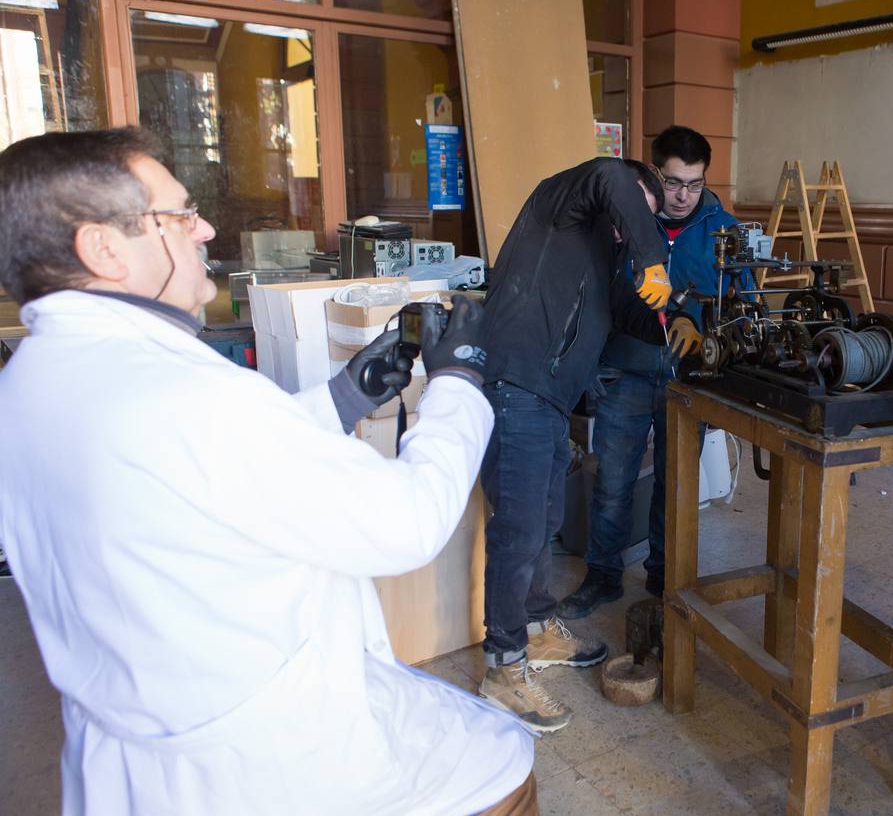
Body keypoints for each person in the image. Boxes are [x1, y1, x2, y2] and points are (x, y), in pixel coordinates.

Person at [0, 129, 537, 815]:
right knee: (505, 759)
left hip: (134, 759)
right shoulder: (185, 397)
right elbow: (408, 523)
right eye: (179, 215)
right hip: (275, 763)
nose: (206, 228)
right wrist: (460, 382)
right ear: (103, 249)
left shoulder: (32, 385)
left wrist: (346, 397)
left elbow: (207, 474)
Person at [476, 156, 671, 732]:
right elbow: (613, 180)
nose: (628, 223)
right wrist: (652, 255)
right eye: (639, 207)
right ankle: (502, 669)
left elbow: (629, 313)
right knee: (519, 530)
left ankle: (536, 631)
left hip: (549, 399)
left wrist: (679, 314)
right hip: (518, 385)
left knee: (544, 520)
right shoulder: (560, 204)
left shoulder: (601, 253)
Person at [558, 125, 751, 618]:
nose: (683, 196)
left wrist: (714, 348)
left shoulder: (723, 230)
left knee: (676, 485)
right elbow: (593, 294)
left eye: (695, 184)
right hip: (625, 371)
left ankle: (666, 579)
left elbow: (743, 307)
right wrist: (592, 363)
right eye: (672, 183)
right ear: (653, 171)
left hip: (688, 380)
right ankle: (602, 576)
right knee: (613, 480)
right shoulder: (622, 220)